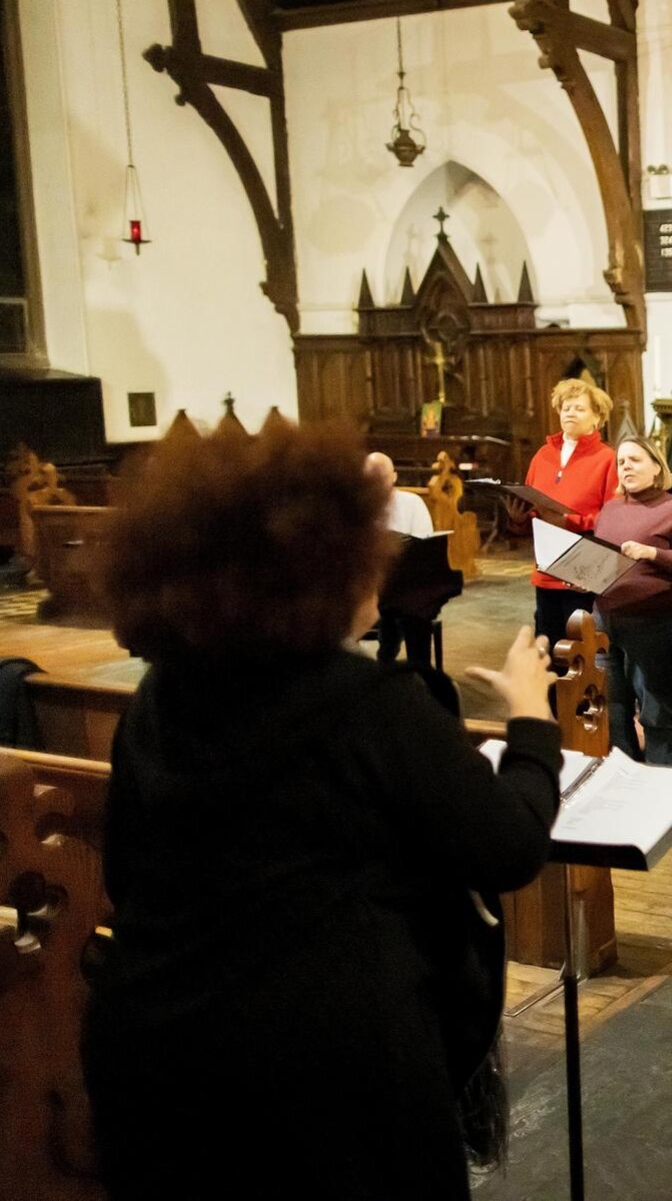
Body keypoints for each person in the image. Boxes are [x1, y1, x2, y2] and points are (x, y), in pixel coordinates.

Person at [83, 419, 561, 1199]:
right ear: (312, 572)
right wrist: (533, 722)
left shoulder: (160, 697)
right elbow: (507, 846)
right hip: (328, 1068)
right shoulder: (368, 703)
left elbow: (127, 873)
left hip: (158, 1047)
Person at [595, 437, 672, 766]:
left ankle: (662, 779)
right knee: (613, 707)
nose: (626, 466)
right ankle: (625, 773)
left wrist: (651, 553)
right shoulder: (611, 508)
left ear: (657, 467)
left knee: (656, 710)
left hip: (656, 620)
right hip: (606, 617)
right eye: (621, 462)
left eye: (635, 460)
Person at [519, 376, 622, 649]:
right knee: (547, 644)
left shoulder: (606, 458)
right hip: (546, 564)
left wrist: (570, 521)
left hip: (584, 565)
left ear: (597, 417)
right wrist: (518, 516)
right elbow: (530, 502)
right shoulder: (542, 455)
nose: (570, 413)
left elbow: (613, 517)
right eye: (566, 408)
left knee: (580, 646)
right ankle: (548, 694)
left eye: (579, 408)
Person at [364, 451, 436, 665]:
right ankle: (384, 662)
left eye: (382, 477)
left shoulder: (411, 503)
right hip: (370, 585)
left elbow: (425, 546)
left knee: (412, 607)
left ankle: (418, 667)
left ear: (394, 477)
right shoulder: (358, 507)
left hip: (406, 582)